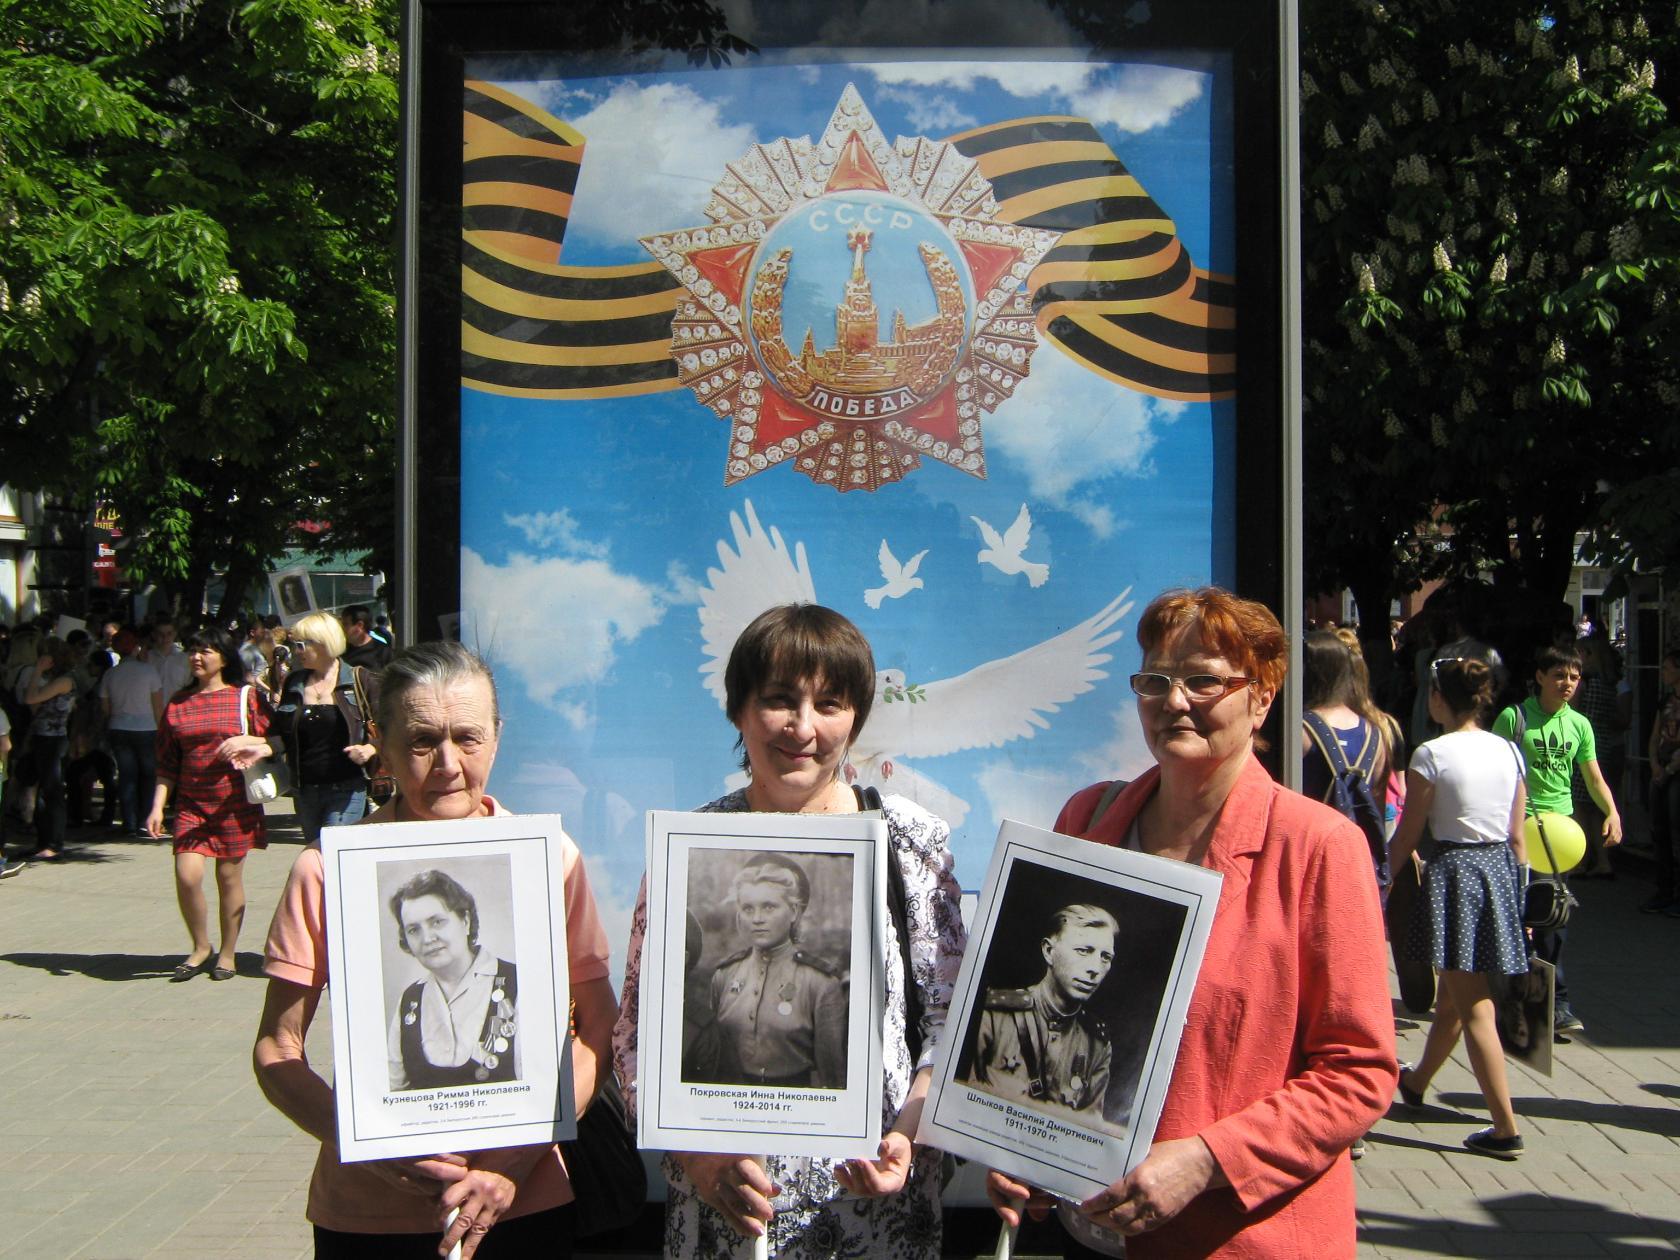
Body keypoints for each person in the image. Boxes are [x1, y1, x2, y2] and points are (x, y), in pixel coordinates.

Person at [988, 587, 1396, 1259]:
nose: (1174, 701)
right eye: (1155, 681)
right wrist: (1014, 1144)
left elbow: (1359, 1071)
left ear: (1262, 698)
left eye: (1204, 681)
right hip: (1085, 1234)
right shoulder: (1089, 818)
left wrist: (1208, 1159)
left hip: (1234, 1238)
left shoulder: (1318, 847)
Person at [615, 603, 968, 1258]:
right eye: (779, 699)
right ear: (739, 710)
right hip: (723, 1216)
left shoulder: (909, 842)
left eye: (829, 704)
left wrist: (911, 1135)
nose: (803, 727)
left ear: (856, 717)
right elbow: (637, 1033)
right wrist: (698, 1159)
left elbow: (949, 1023)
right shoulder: (688, 848)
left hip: (873, 1218)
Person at [255, 640, 616, 1259]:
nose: (448, 763)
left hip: (521, 1201)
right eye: (422, 741)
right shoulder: (327, 870)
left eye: (468, 738)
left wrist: (513, 1161)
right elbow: (276, 1047)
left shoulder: (549, 861)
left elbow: (599, 1029)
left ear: (497, 737)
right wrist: (364, 1141)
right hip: (368, 1215)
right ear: (380, 742)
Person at [1387, 658, 1529, 1158]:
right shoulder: (1508, 749)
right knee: (1454, 993)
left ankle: (1505, 1129)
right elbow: (1517, 835)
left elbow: (1409, 833)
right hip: (1499, 872)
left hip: (1455, 875)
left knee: (1474, 1006)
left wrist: (1380, 879)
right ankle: (1416, 1083)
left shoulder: (1431, 754)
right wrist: (1521, 902)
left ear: (1438, 699)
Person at [1492, 643, 1622, 1036]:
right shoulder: (1515, 718)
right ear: (1540, 677)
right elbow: (1493, 771)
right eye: (1559, 676)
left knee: (1553, 918)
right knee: (1516, 917)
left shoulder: (1579, 724)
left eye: (1574, 677)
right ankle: (1512, 995)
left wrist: (1612, 812)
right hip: (1518, 830)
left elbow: (1593, 777)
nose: (1567, 683)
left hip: (1559, 835)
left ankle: (1557, 1004)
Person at [147, 626, 276, 981]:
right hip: (191, 804)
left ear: (223, 657)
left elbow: (273, 738)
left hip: (234, 803)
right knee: (187, 875)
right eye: (192, 650)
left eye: (205, 651)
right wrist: (157, 807)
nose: (196, 657)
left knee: (228, 879)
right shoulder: (178, 702)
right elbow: (166, 763)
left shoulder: (245, 697)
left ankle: (228, 954)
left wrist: (248, 743)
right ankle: (201, 946)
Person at [701, 853, 847, 1088]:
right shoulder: (724, 976)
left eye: (769, 907)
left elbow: (833, 1079)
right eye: (748, 909)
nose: (757, 919)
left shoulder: (819, 982)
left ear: (794, 912)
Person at [962, 903, 1118, 1123]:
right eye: (1083, 951)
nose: (1095, 968)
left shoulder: (1097, 1044)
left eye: (1105, 957)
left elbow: (1088, 1130)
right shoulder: (992, 1016)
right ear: (1048, 951)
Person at [386, 869, 520, 1091]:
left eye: (437, 922)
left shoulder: (517, 984)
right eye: (413, 930)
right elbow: (391, 1091)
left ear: (465, 921)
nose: (427, 938)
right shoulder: (409, 1000)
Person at [273, 611, 379, 843]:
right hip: (305, 790)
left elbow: (390, 727)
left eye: (301, 645)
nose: (296, 651)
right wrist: (260, 747)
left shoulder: (360, 680)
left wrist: (370, 748)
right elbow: (280, 731)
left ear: (323, 643)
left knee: (327, 850)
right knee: (317, 852)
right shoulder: (294, 682)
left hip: (347, 787)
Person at [100, 628, 164, 836]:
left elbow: (105, 707)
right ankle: (146, 821)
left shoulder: (110, 674)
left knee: (127, 775)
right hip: (146, 727)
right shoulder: (149, 671)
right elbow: (157, 705)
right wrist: (162, 728)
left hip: (119, 726)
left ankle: (129, 821)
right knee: (148, 775)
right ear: (136, 647)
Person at [22, 638, 78, 861]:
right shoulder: (54, 681)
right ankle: (43, 841)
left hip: (53, 741)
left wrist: (37, 671)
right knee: (42, 792)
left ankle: (55, 843)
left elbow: (30, 698)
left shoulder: (64, 681)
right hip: (42, 738)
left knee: (53, 791)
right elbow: (35, 705)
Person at [1644, 650, 1680, 916]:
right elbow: (1655, 735)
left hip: (1676, 771)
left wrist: (1668, 770)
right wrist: (1655, 763)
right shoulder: (1666, 700)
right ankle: (1664, 889)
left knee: (1677, 830)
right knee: (1660, 830)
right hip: (1662, 768)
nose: (1664, 672)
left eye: (1668, 667)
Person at [343, 605, 394, 671]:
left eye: (345, 624)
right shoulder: (342, 651)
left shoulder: (383, 652)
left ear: (360, 625)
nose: (342, 628)